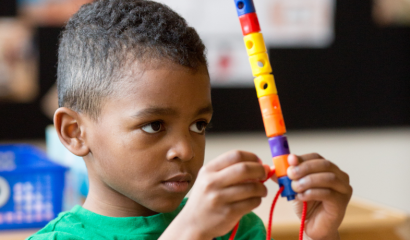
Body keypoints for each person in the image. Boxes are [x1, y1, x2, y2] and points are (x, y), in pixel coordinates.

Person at [28, 0, 352, 239]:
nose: (185, 149)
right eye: (154, 125)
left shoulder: (235, 227)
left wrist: (318, 235)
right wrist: (188, 232)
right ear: (75, 133)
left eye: (199, 125)